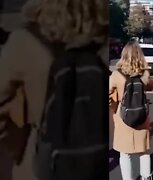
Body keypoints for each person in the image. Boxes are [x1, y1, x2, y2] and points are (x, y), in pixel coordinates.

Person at [0, 0, 108, 179]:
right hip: (97, 157)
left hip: (43, 162)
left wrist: (17, 143)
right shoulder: (106, 41)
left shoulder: (24, 41)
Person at [109, 41, 153, 180]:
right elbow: (150, 86)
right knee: (144, 151)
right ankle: (147, 177)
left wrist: (114, 106)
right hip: (141, 116)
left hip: (123, 118)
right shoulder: (145, 74)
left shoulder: (117, 75)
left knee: (125, 154)